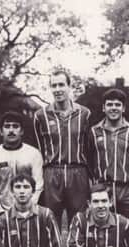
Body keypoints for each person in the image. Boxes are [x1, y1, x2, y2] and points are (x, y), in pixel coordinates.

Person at [33, 69, 91, 225]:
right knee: (50, 219)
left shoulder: (84, 113)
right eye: (54, 85)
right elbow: (39, 147)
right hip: (52, 172)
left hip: (78, 172)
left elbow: (89, 147)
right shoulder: (40, 115)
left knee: (79, 219)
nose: (57, 89)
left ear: (69, 86)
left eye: (61, 85)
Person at [88, 88, 129, 224]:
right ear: (103, 108)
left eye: (117, 105)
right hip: (103, 188)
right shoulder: (94, 132)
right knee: (104, 227)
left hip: (127, 189)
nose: (114, 108)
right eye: (110, 104)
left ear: (123, 108)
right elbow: (89, 160)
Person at [0, 111, 44, 229]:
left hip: (27, 213)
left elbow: (38, 186)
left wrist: (27, 210)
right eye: (7, 126)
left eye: (15, 126)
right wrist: (1, 214)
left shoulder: (33, 154)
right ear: (1, 131)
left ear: (22, 131)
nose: (11, 130)